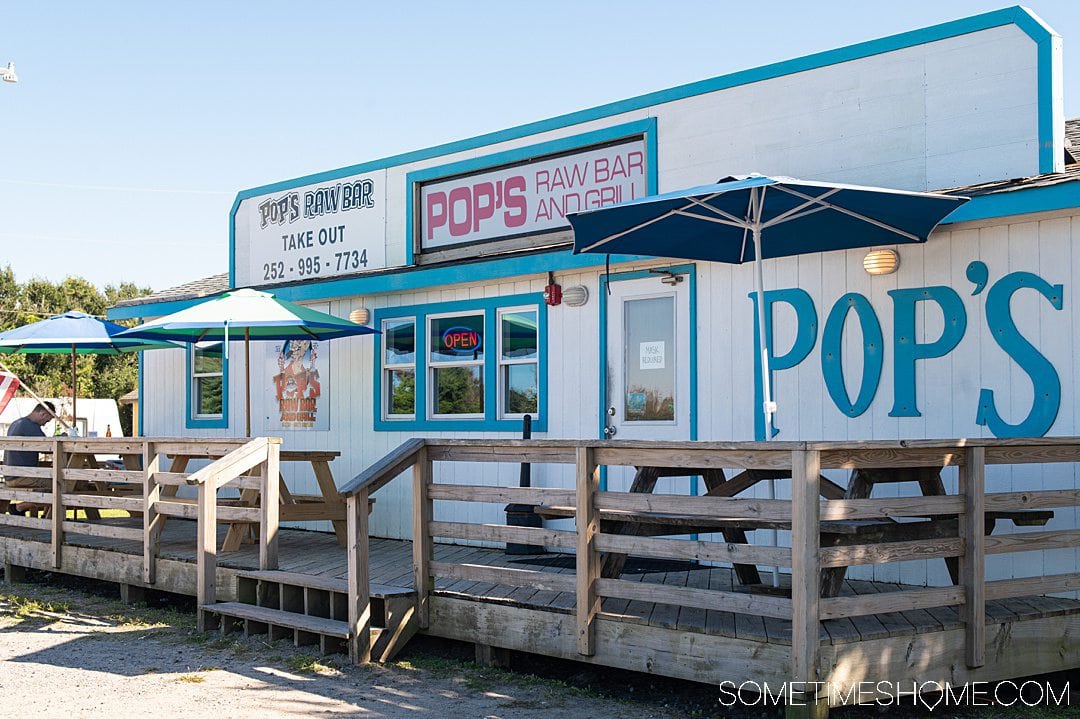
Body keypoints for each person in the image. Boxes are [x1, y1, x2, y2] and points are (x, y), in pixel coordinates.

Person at [3, 401, 56, 489]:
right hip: (23, 476)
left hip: (10, 476)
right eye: (47, 421)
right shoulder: (31, 426)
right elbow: (47, 448)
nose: (44, 424)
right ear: (43, 414)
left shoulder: (16, 423)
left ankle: (34, 503)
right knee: (58, 484)